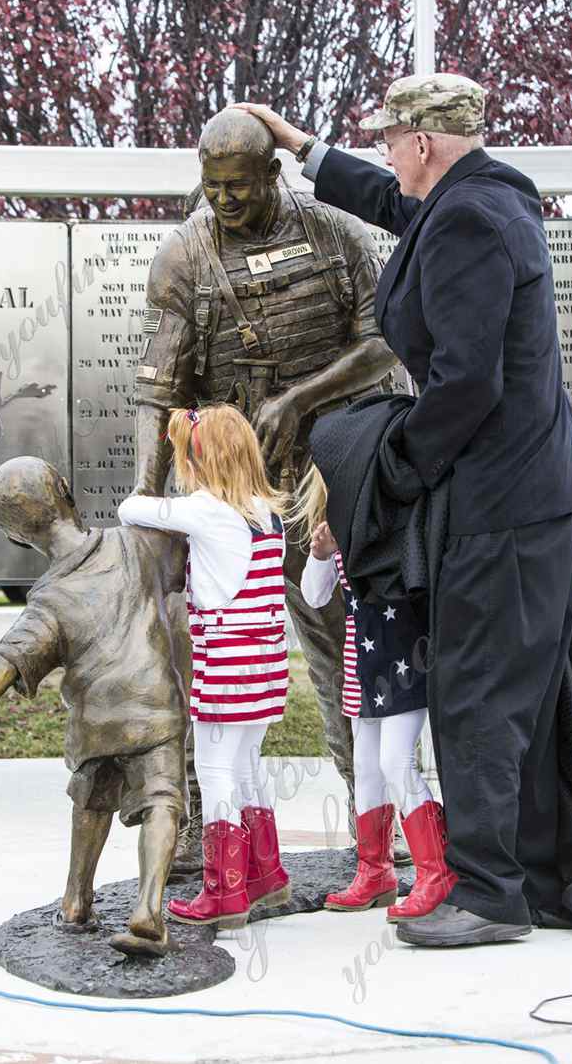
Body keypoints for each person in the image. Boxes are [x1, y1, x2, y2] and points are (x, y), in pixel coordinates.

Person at [236, 72, 572, 947]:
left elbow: (467, 382)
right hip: (524, 495)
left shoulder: (471, 218)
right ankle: (538, 872)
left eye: (390, 141)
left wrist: (388, 468)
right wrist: (301, 148)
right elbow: (399, 208)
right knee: (516, 686)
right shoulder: (478, 199)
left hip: (501, 503)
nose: (385, 156)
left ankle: (489, 896)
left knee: (474, 691)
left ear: (424, 143)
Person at [131, 108, 400, 872]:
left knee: (349, 646)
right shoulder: (182, 257)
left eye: (240, 186)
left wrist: (300, 397)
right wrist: (153, 520)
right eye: (212, 187)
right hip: (231, 494)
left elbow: (386, 340)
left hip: (332, 480)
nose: (225, 200)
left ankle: (377, 818)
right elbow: (159, 390)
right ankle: (191, 827)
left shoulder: (335, 234)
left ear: (273, 173)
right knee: (200, 657)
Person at [0, 457, 190, 957]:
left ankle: (76, 899)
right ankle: (149, 908)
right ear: (66, 490)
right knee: (162, 801)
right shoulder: (138, 542)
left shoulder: (48, 598)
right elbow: (194, 553)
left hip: (96, 721)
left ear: (14, 537)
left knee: (90, 801)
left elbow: (11, 656)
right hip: (156, 705)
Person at [118, 403, 291, 929]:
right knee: (247, 766)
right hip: (266, 657)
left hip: (228, 655)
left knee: (213, 771)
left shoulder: (205, 510)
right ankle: (265, 876)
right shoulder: (268, 510)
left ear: (202, 459)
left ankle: (225, 892)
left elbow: (131, 509)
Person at [297, 464, 455, 919]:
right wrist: (322, 553)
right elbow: (313, 595)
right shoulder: (336, 533)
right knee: (367, 769)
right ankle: (375, 872)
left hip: (404, 663)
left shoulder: (391, 524)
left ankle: (435, 870)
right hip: (362, 667)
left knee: (394, 762)